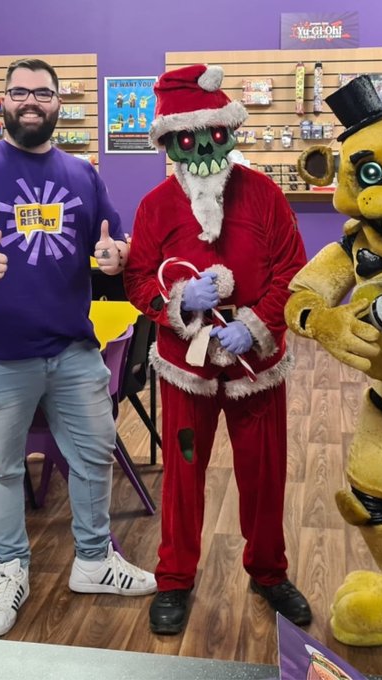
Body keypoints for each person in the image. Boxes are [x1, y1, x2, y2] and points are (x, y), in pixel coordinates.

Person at [0, 58, 156, 638]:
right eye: (20, 92)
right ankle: (10, 571)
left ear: (58, 104)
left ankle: (94, 560)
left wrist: (115, 257)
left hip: (72, 348)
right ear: (3, 101)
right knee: (1, 467)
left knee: (95, 453)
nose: (31, 101)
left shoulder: (82, 174)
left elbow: (113, 242)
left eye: (43, 93)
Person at [124, 64, 311, 635]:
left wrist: (256, 324)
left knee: (265, 474)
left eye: (215, 134)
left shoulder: (265, 194)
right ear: (169, 143)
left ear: (230, 132)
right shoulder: (155, 206)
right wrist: (178, 300)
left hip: (256, 365)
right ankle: (175, 577)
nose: (203, 148)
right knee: (182, 475)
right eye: (187, 140)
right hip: (187, 366)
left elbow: (293, 269)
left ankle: (269, 571)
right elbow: (137, 279)